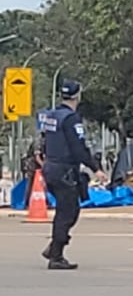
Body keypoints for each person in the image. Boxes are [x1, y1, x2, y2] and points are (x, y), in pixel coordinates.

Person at [38, 80, 104, 270]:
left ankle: (54, 247)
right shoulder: (71, 119)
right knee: (67, 213)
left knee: (69, 209)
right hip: (64, 170)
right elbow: (78, 148)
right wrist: (95, 168)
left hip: (51, 168)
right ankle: (56, 255)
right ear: (77, 96)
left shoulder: (51, 116)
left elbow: (44, 140)